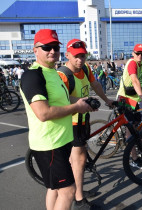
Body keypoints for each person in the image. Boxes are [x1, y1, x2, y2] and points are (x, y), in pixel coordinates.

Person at [20, 29, 93, 210]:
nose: (52, 51)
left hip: (61, 140)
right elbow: (43, 113)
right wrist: (77, 108)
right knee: (68, 191)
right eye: (46, 47)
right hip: (49, 144)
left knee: (54, 189)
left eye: (55, 47)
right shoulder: (33, 75)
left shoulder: (52, 72)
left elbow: (64, 100)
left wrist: (82, 102)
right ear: (35, 49)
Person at [58, 38, 113, 210]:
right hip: (72, 123)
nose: (80, 59)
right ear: (67, 55)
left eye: (82, 55)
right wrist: (82, 102)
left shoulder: (86, 68)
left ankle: (77, 189)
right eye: (76, 56)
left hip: (84, 120)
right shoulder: (63, 74)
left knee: (79, 158)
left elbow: (95, 84)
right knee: (79, 159)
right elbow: (61, 99)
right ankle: (79, 199)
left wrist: (107, 100)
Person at [117, 43, 142, 169]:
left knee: (139, 127)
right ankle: (133, 158)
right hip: (126, 100)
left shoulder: (141, 65)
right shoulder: (132, 63)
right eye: (137, 53)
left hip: (135, 100)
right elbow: (135, 80)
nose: (140, 56)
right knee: (131, 129)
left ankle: (138, 150)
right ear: (133, 53)